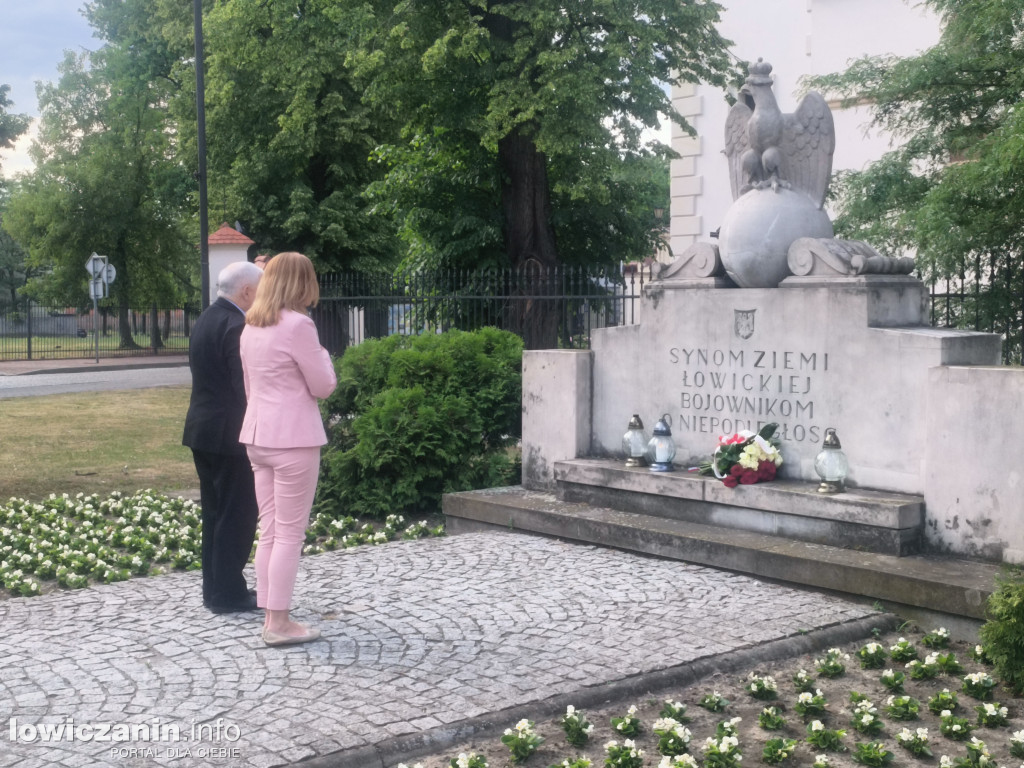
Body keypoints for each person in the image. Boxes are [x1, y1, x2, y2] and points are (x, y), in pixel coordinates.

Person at [239, 251, 337, 647]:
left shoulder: (251, 325)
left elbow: (250, 386)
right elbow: (323, 386)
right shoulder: (299, 325)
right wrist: (326, 357)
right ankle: (278, 622)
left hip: (258, 435)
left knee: (270, 531)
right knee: (289, 535)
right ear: (303, 282)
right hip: (293, 438)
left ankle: (271, 614)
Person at [182, 260, 264, 613]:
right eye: (259, 291)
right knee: (238, 515)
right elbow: (242, 387)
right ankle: (228, 593)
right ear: (246, 291)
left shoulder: (206, 318)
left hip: (202, 431)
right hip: (230, 436)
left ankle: (214, 590)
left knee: (216, 514)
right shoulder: (236, 325)